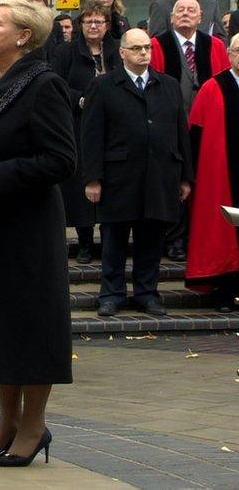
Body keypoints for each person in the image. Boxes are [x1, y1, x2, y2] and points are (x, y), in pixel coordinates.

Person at [0, 0, 76, 468]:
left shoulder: (44, 86)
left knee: (30, 325)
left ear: (24, 36)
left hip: (27, 228)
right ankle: (6, 422)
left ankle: (33, 426)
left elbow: (61, 160)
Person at [82, 28, 193, 317]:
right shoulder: (104, 86)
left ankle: (147, 293)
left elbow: (181, 132)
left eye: (147, 48)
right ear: (122, 53)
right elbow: (91, 135)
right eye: (136, 48)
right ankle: (112, 294)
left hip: (160, 176)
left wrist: (185, 176)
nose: (143, 53)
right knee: (114, 239)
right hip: (119, 176)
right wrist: (92, 178)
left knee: (152, 239)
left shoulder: (167, 85)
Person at [150, 0, 230, 260]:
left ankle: (197, 234)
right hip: (172, 127)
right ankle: (174, 238)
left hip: (207, 130)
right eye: (180, 10)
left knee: (205, 182)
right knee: (175, 183)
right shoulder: (157, 45)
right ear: (172, 17)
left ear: (201, 17)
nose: (185, 14)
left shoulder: (215, 46)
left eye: (191, 10)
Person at [52, 4, 121, 263]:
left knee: (110, 180)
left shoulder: (116, 51)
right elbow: (56, 84)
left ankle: (109, 238)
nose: (94, 26)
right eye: (89, 21)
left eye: (99, 22)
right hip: (79, 123)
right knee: (81, 182)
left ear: (107, 26)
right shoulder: (65, 52)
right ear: (81, 25)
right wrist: (80, 100)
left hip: (113, 126)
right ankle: (83, 241)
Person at [185, 33, 239, 313]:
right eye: (238, 51)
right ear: (229, 54)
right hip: (222, 175)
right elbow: (195, 135)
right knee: (224, 233)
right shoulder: (212, 88)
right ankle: (224, 292)